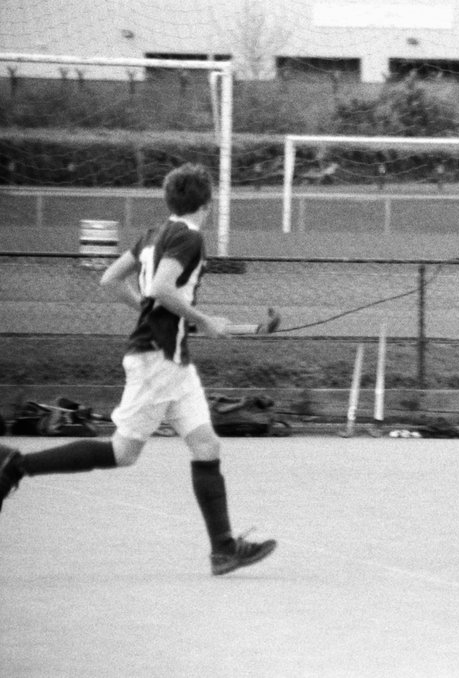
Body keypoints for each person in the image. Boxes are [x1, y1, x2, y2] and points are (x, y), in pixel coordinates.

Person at [0, 163, 276, 575]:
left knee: (207, 446)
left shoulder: (152, 235)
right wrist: (197, 319)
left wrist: (174, 316)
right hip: (157, 358)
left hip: (173, 360)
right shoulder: (190, 238)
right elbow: (161, 288)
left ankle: (223, 550)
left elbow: (110, 280)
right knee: (123, 451)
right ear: (208, 203)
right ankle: (15, 465)